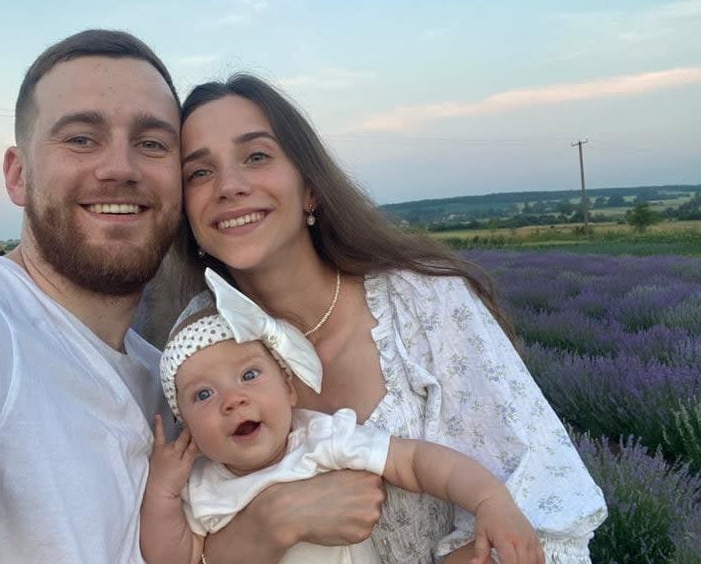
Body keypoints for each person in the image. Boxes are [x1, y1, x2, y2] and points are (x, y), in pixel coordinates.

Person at [0, 30, 385, 564]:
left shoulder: (178, 382)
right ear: (18, 175)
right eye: (81, 138)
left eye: (152, 143)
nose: (119, 167)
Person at [172, 74, 608, 563]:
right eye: (199, 173)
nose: (229, 186)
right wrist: (277, 518)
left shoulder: (425, 302)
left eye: (256, 156)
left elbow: (542, 510)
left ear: (309, 187)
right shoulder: (194, 345)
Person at [141, 268, 543, 564]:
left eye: (249, 375)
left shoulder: (321, 438)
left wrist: (490, 498)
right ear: (187, 425)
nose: (233, 400)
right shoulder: (202, 488)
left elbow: (415, 461)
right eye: (204, 395)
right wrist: (162, 492)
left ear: (289, 388)